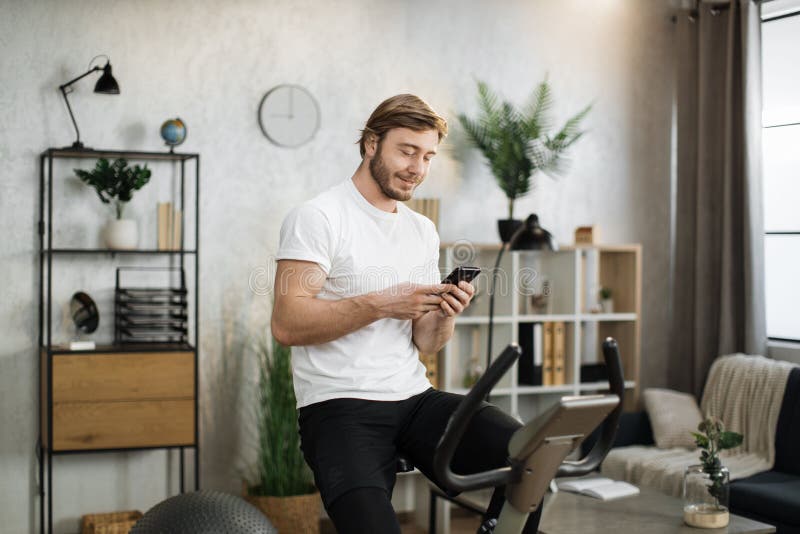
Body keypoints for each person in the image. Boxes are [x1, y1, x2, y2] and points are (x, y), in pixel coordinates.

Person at [272, 94, 541, 533]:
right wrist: (380, 303)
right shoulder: (318, 217)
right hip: (340, 408)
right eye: (407, 151)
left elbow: (426, 342)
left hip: (414, 398)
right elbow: (286, 323)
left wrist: (446, 314)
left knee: (530, 459)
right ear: (371, 144)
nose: (418, 167)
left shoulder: (421, 230)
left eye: (428, 155)